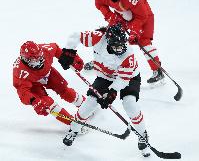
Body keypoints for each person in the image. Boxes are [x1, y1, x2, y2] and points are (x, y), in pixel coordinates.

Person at [58, 24, 151, 157]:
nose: (120, 49)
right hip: (104, 76)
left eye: (122, 45)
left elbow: (123, 80)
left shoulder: (128, 56)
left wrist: (111, 93)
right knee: (90, 103)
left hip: (129, 77)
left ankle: (143, 134)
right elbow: (75, 36)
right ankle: (74, 129)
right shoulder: (98, 38)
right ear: (108, 41)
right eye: (116, 46)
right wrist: (68, 52)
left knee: (130, 104)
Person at [93, 0, 164, 85]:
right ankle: (102, 62)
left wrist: (134, 32)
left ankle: (157, 70)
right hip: (122, 14)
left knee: (144, 41)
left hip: (143, 16)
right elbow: (99, 4)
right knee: (112, 36)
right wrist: (109, 16)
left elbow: (142, 16)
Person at [13, 41, 87, 127]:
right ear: (26, 59)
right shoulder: (19, 71)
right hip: (33, 84)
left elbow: (57, 49)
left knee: (64, 90)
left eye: (39, 58)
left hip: (47, 72)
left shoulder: (46, 50)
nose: (38, 62)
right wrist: (33, 101)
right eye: (34, 60)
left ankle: (86, 106)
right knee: (47, 103)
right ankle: (72, 123)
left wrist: (73, 59)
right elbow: (23, 92)